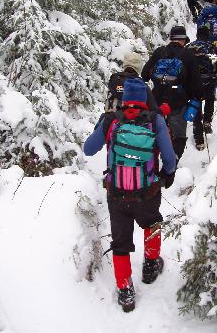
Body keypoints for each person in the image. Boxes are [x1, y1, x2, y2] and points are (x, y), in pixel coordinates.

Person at [84, 78, 177, 313]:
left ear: (123, 100)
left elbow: (88, 149)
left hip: (116, 195)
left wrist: (103, 124)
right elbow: (170, 158)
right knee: (152, 223)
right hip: (147, 193)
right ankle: (150, 266)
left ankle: (125, 291)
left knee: (121, 242)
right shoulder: (155, 121)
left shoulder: (110, 120)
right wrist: (166, 176)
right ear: (145, 99)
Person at [141, 25, 203, 161]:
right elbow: (197, 85)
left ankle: (152, 163)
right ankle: (171, 166)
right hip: (178, 102)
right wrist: (194, 99)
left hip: (156, 101)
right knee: (178, 136)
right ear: (183, 40)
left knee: (154, 132)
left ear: (171, 39)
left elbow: (144, 75)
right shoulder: (189, 56)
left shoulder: (159, 52)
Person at [186, 26, 217, 149]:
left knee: (196, 107)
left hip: (193, 83)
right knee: (209, 100)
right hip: (209, 81)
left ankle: (199, 140)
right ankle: (207, 121)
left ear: (197, 35)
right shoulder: (212, 47)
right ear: (207, 35)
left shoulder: (189, 47)